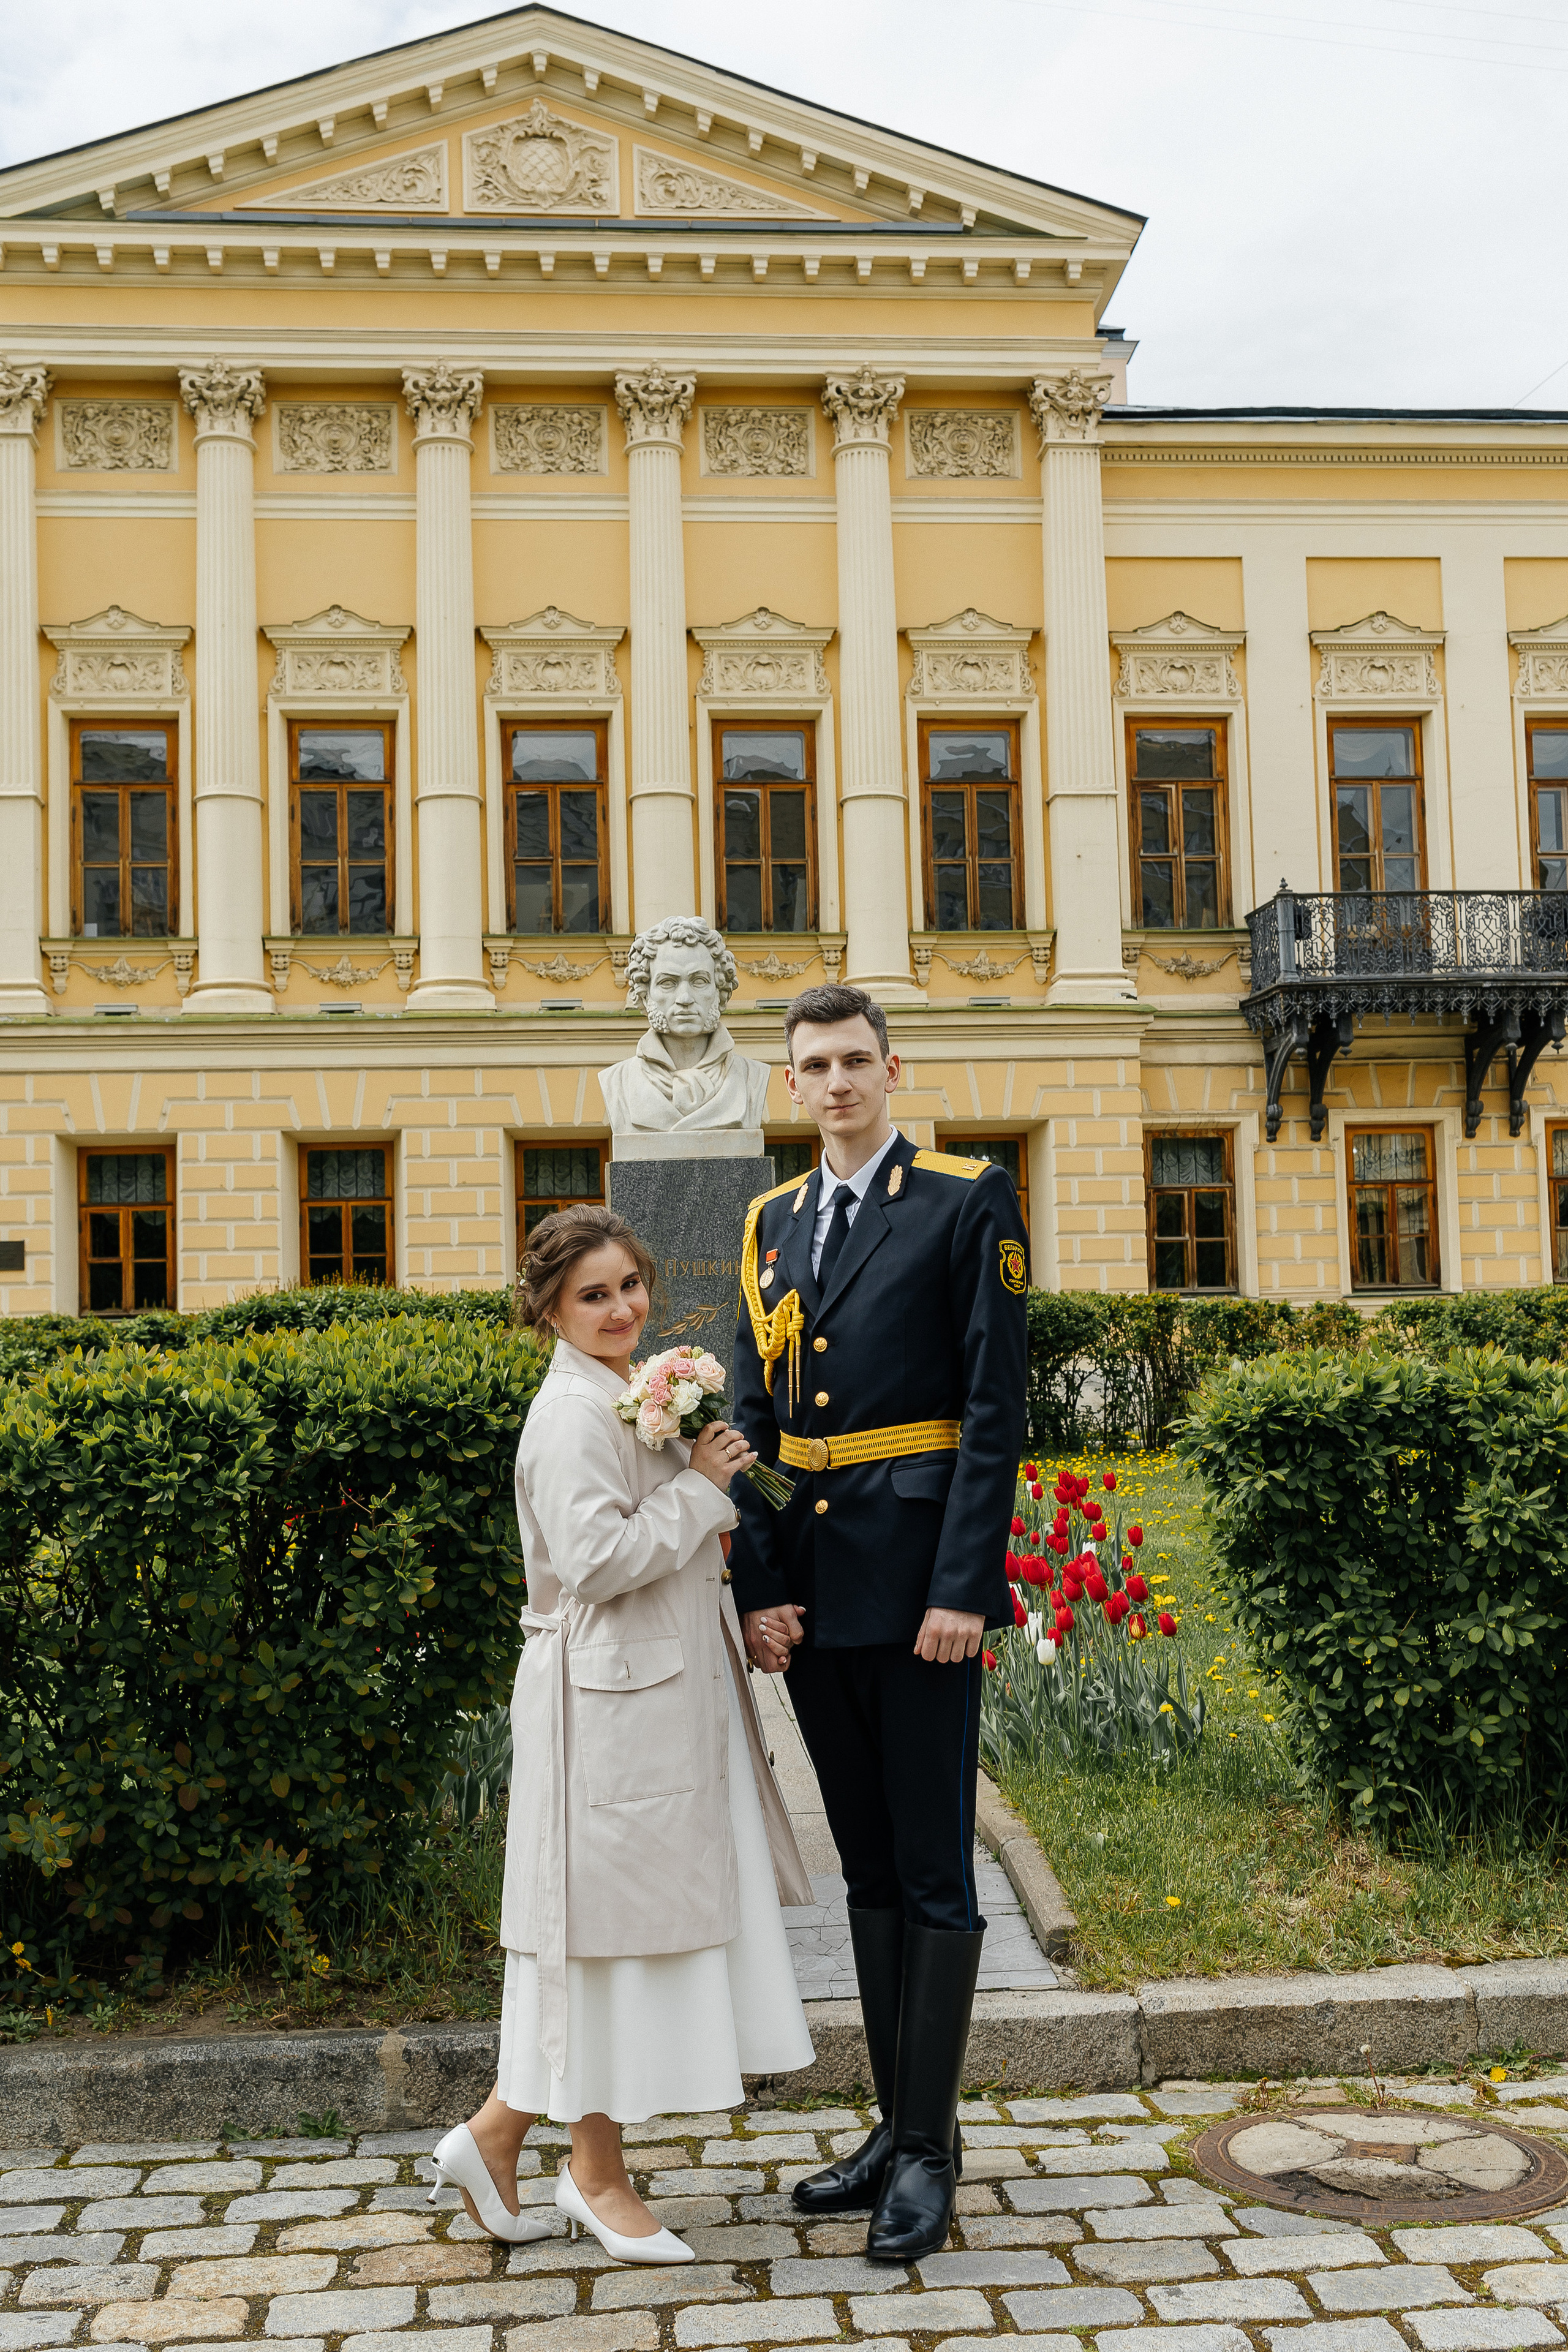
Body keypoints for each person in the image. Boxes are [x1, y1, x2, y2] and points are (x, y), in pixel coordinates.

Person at [431, 1203, 814, 2258]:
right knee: (598, 1941)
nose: (619, 1308)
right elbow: (596, 1564)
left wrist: (724, 1551)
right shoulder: (566, 1417)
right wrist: (701, 1490)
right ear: (549, 1307)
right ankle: (589, 2173)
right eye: (592, 1294)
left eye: (629, 1287)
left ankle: (501, 2138)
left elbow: (657, 1543)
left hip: (660, 1698)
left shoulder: (624, 1398)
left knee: (616, 1942)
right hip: (603, 1711)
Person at [728, 983, 1028, 2263]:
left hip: (920, 1595)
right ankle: (889, 2123)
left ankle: (926, 2154)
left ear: (891, 1070)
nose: (836, 1082)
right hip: (816, 1595)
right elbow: (748, 1425)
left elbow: (990, 1407)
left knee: (930, 1873)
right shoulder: (769, 1221)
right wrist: (758, 1586)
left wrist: (962, 1589)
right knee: (863, 1870)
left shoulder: (964, 1201)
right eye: (814, 1065)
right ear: (788, 1086)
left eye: (855, 1060)